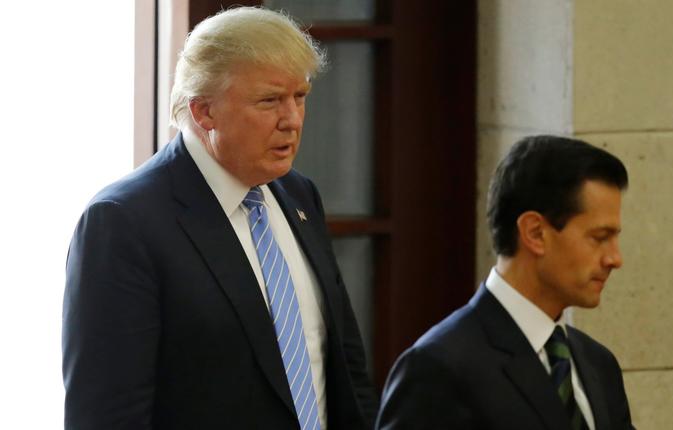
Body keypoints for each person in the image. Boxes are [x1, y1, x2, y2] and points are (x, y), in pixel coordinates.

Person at [63, 7, 377, 429]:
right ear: (203, 112)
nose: (293, 120)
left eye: (299, 97)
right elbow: (106, 415)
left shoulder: (299, 195)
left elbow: (343, 364)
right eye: (269, 101)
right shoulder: (123, 223)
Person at [376, 135, 636, 429]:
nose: (615, 259)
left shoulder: (598, 364)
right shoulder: (437, 368)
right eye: (599, 238)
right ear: (535, 233)